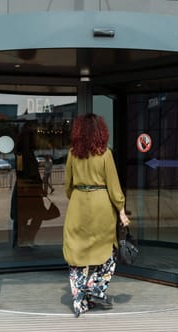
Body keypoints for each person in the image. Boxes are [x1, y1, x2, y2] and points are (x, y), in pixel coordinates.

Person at [63, 113, 130, 318]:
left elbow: (67, 185)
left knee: (77, 254)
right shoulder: (105, 154)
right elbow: (114, 186)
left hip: (77, 205)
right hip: (101, 206)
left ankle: (79, 300)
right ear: (101, 131)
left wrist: (77, 198)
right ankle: (95, 287)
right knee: (108, 251)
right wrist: (121, 211)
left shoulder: (72, 154)